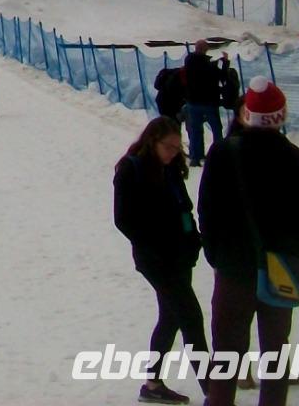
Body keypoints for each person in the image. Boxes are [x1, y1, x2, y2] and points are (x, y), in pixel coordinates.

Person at [198, 77, 299, 406]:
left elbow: (207, 210)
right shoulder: (294, 158)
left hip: (233, 268)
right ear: (281, 116)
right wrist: (297, 255)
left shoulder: (223, 152)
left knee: (226, 351)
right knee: (276, 350)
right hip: (281, 267)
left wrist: (218, 256)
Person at [113, 116, 206, 405]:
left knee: (171, 317)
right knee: (190, 317)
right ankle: (215, 391)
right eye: (169, 147)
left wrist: (193, 240)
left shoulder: (171, 169)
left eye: (178, 148)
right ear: (152, 141)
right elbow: (124, 220)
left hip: (180, 256)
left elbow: (183, 208)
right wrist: (154, 246)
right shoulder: (132, 168)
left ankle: (152, 384)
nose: (174, 152)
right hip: (156, 259)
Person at [182, 40, 223, 166]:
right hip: (209, 102)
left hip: (193, 102)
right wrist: (224, 63)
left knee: (195, 130)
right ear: (205, 49)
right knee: (216, 129)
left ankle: (195, 156)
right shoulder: (208, 65)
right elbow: (220, 76)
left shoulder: (188, 62)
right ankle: (219, 155)